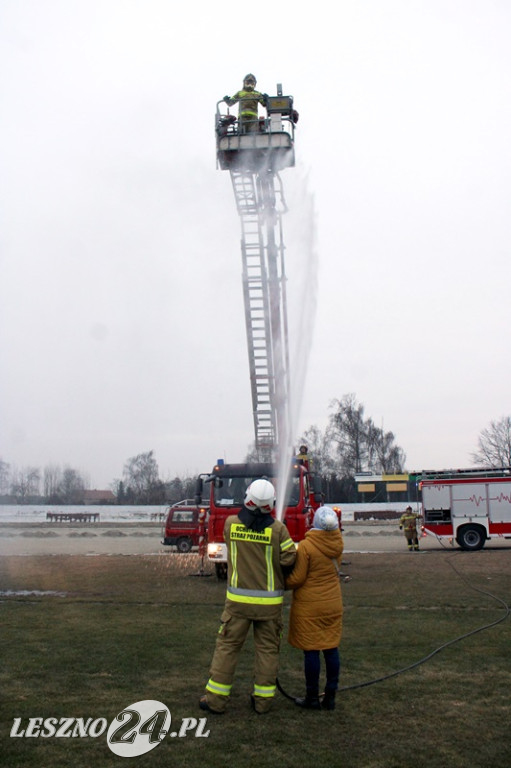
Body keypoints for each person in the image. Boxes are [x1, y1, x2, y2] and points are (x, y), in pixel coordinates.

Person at [200, 478, 297, 715]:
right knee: (267, 651)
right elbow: (289, 558)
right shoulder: (279, 530)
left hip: (237, 605)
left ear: (247, 498)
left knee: (227, 649)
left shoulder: (231, 525)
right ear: (271, 503)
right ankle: (262, 703)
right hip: (270, 605)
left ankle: (215, 701)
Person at [286, 506, 344, 711]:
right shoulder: (338, 544)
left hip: (310, 606)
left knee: (311, 650)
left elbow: (298, 578)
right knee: (331, 648)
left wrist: (281, 580)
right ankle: (330, 696)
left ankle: (312, 697)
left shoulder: (306, 546)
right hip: (333, 603)